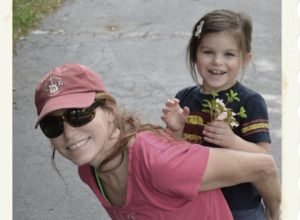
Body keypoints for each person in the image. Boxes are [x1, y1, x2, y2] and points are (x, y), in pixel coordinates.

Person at [34, 63, 280, 220]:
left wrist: (275, 214)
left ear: (109, 111)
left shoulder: (161, 163)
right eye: (52, 124)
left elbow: (263, 166)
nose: (68, 133)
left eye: (78, 115)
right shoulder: (89, 171)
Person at [161, 9, 277, 220]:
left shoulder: (250, 102)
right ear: (195, 54)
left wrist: (233, 141)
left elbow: (263, 157)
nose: (217, 61)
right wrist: (175, 131)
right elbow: (175, 158)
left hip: (239, 208)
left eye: (229, 54)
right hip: (194, 203)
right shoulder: (184, 98)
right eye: (208, 52)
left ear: (245, 59)